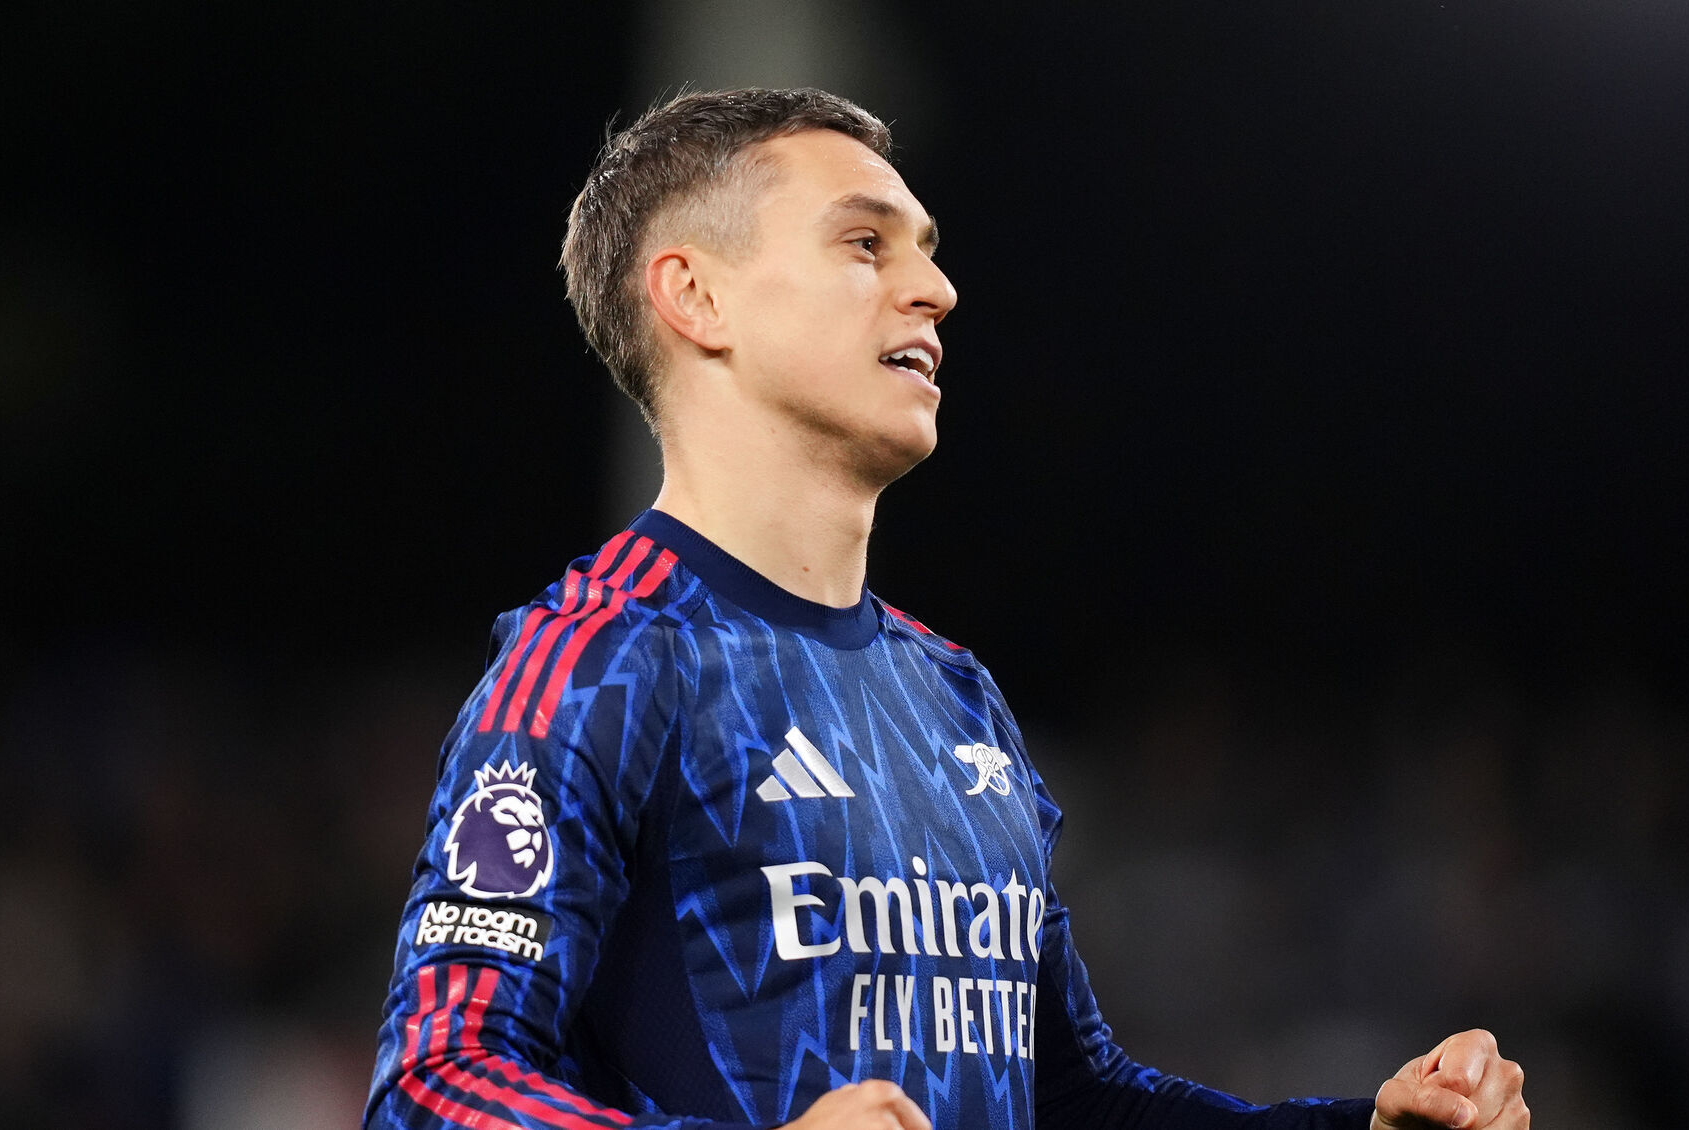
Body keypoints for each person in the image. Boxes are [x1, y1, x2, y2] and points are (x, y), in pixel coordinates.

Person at [364, 88, 1528, 1130]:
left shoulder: (953, 695)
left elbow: (1072, 1099)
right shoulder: (597, 659)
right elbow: (434, 1082)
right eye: (864, 243)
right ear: (695, 294)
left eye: (923, 250)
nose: (935, 288)